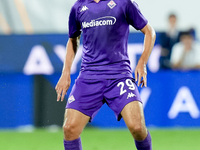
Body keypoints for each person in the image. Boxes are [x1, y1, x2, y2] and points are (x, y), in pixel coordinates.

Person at [55, 0, 156, 150]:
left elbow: (149, 32)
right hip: (89, 76)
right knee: (69, 129)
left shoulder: (124, 3)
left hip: (119, 75)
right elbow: (73, 39)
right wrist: (66, 72)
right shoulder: (78, 7)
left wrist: (142, 62)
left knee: (137, 127)